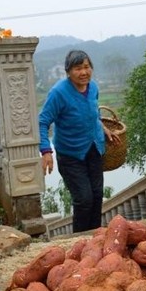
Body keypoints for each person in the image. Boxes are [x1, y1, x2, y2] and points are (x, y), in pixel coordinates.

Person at [39, 50, 118, 232]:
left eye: (87, 67)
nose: (84, 72)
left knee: (97, 195)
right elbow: (43, 121)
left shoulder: (93, 88)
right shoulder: (58, 93)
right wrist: (46, 151)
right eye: (78, 68)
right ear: (68, 71)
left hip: (94, 149)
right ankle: (79, 240)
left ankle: (95, 237)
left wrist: (103, 129)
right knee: (84, 199)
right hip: (71, 155)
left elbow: (93, 113)